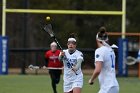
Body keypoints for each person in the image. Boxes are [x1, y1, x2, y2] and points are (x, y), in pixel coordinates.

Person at [88, 27, 119, 93]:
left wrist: (91, 80)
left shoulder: (100, 51)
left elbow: (98, 70)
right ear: (107, 39)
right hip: (114, 86)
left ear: (97, 40)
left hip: (107, 87)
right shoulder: (111, 50)